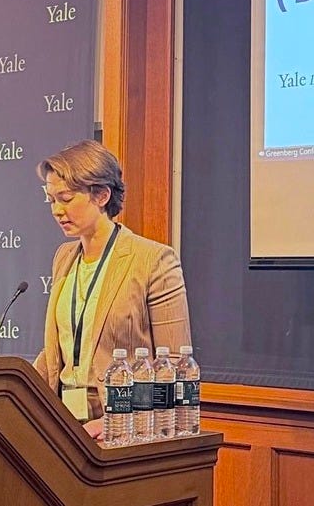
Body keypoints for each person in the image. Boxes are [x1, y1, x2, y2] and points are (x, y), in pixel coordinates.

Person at [33, 139, 192, 439]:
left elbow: (173, 366)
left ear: (102, 195)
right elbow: (62, 348)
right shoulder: (63, 258)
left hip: (120, 430)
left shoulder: (153, 260)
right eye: (51, 199)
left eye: (66, 198)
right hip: (62, 425)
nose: (57, 210)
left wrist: (113, 422)